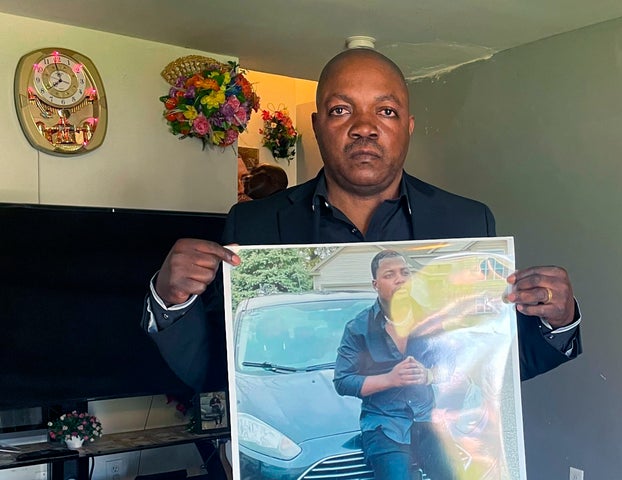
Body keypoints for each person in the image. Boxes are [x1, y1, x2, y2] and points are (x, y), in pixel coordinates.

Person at [142, 47, 581, 400]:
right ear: (316, 126)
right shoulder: (254, 224)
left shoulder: (467, 220)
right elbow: (219, 370)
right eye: (340, 110)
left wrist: (558, 322)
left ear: (408, 127)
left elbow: (491, 364)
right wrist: (170, 300)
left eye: (386, 112)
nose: (364, 128)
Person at [334, 250, 457, 479]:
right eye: (390, 274)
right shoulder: (358, 328)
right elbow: (342, 381)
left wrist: (428, 375)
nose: (400, 279)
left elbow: (451, 365)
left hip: (426, 420)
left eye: (404, 273)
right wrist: (390, 379)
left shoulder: (431, 320)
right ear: (375, 284)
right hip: (384, 426)